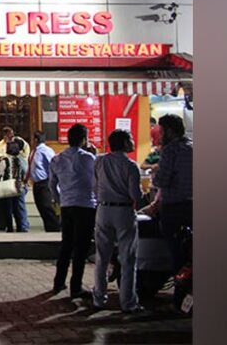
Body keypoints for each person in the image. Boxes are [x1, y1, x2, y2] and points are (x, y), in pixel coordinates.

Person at [92, 129, 144, 313]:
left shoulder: (100, 161)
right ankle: (128, 302)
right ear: (123, 143)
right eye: (130, 139)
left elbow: (94, 186)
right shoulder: (131, 166)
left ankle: (99, 298)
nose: (133, 141)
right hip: (123, 212)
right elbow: (135, 195)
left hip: (103, 209)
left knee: (102, 257)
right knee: (128, 259)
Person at [49, 123, 98, 299]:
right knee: (81, 248)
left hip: (67, 205)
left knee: (66, 245)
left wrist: (59, 199)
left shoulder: (57, 159)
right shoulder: (89, 158)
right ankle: (75, 286)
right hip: (85, 205)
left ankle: (58, 281)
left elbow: (51, 184)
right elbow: (96, 182)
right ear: (84, 139)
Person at [149, 114, 193, 278]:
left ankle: (178, 283)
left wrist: (156, 174)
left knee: (174, 249)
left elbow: (162, 180)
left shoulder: (170, 150)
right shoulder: (193, 147)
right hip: (193, 206)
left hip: (173, 208)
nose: (159, 135)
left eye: (161, 131)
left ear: (169, 131)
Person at [0, 139, 29, 232]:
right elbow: (25, 172)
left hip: (8, 186)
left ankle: (10, 227)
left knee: (8, 208)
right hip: (18, 186)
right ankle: (20, 226)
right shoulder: (21, 160)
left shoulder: (5, 160)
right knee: (18, 208)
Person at [27, 131, 61, 232]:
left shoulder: (45, 150)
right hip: (36, 184)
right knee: (42, 208)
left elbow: (53, 165)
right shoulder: (34, 151)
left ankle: (54, 230)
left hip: (45, 183)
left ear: (36, 139)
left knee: (48, 209)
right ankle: (49, 229)